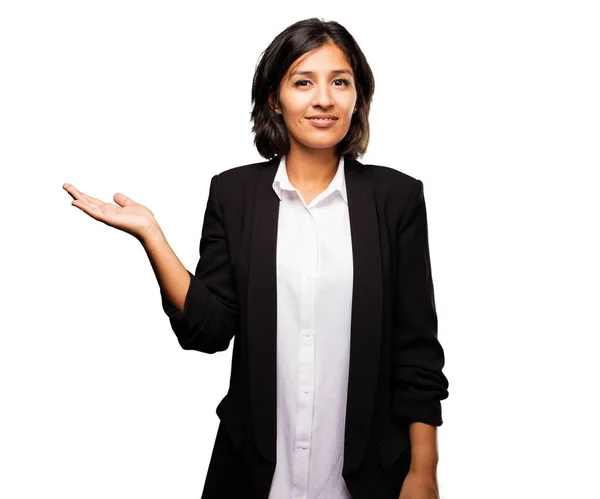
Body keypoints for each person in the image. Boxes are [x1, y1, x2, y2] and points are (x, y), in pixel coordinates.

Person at [63, 17, 449, 499]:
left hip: (369, 474)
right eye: (303, 82)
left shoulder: (396, 198)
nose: (324, 98)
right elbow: (208, 329)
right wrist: (152, 236)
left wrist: (424, 471)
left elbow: (416, 350)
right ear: (274, 98)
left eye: (340, 82)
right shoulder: (235, 193)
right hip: (254, 473)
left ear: (357, 98)